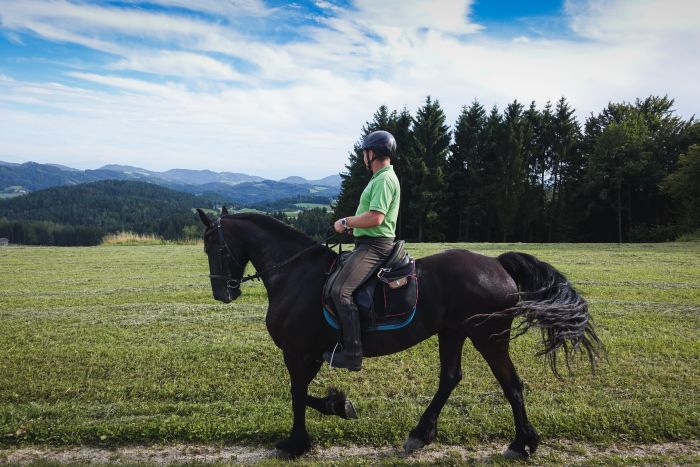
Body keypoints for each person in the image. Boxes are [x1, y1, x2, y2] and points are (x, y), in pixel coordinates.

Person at [323, 130, 401, 371]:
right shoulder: (379, 178)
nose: (362, 158)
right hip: (367, 242)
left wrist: (347, 222)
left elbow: (376, 218)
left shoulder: (384, 179)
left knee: (340, 290)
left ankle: (353, 353)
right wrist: (355, 229)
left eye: (365, 152)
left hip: (376, 246)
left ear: (373, 153)